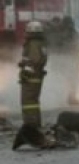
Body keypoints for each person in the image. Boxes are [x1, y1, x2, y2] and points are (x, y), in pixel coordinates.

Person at [13, 21, 52, 150]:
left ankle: (31, 125)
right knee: (33, 101)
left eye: (27, 31)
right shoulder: (40, 43)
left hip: (31, 77)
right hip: (36, 76)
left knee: (28, 102)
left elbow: (34, 61)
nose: (26, 33)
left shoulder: (33, 44)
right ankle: (34, 124)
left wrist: (25, 68)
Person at [58, 16, 79, 105]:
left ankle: (68, 98)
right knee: (71, 80)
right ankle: (70, 98)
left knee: (67, 80)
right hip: (71, 59)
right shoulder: (75, 34)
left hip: (68, 60)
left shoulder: (61, 34)